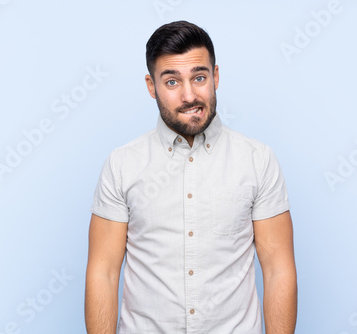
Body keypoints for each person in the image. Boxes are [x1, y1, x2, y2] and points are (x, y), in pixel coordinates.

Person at [85, 20, 297, 334]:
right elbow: (103, 272)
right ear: (151, 86)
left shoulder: (257, 160)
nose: (189, 95)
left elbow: (279, 269)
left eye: (199, 77)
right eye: (172, 82)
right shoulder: (122, 165)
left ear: (216, 76)